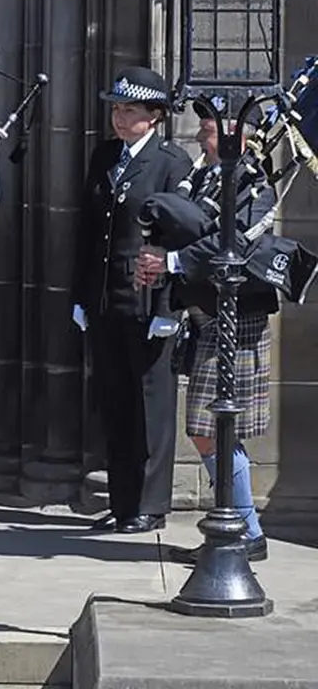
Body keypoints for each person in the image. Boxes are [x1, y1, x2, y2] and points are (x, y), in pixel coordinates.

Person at [135, 105, 276, 562]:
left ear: (239, 136)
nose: (199, 137)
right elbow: (182, 226)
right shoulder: (203, 179)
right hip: (205, 315)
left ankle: (244, 532)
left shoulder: (256, 185)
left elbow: (233, 243)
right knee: (212, 429)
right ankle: (241, 531)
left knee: (210, 429)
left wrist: (172, 262)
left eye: (209, 130)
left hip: (236, 318)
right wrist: (154, 257)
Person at [71, 66, 193, 534]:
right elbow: (88, 232)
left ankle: (151, 502)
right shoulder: (106, 155)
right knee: (115, 402)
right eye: (117, 109)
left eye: (131, 110)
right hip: (107, 299)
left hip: (147, 298)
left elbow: (175, 238)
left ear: (155, 116)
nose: (120, 118)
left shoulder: (171, 162)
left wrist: (167, 309)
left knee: (151, 405)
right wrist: (82, 296)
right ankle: (123, 502)